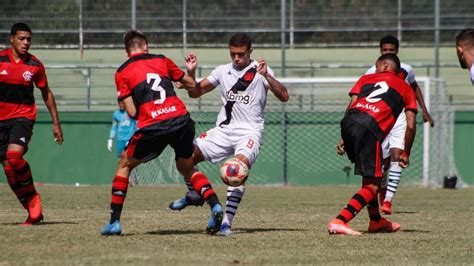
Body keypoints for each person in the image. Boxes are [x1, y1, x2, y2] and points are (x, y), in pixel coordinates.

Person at [100, 29, 223, 235]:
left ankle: (114, 222)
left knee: (124, 165)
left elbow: (131, 112)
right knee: (186, 166)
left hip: (154, 126)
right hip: (181, 119)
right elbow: (191, 85)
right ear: (146, 46)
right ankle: (215, 205)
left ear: (126, 51)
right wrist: (187, 73)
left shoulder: (122, 72)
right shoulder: (162, 60)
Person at [168, 32, 289, 236]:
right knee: (185, 157)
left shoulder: (260, 71)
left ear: (250, 51)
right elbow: (195, 92)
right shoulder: (222, 71)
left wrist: (267, 75)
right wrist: (191, 72)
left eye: (241, 54)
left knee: (236, 170)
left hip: (249, 133)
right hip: (222, 131)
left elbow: (284, 96)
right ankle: (194, 193)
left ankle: (225, 223)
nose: (236, 58)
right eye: (233, 54)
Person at [329, 54, 417, 235]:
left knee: (370, 178)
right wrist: (406, 152)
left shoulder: (365, 78)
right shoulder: (406, 88)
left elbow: (351, 105)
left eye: (376, 66)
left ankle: (376, 221)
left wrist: (345, 136)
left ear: (384, 65)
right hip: (370, 128)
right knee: (373, 187)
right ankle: (340, 220)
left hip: (349, 123)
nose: (375, 70)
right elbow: (410, 124)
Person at [0, 22, 63, 226]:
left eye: (29, 39)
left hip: (23, 117)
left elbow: (46, 92)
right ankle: (31, 210)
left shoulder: (35, 65)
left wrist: (56, 123)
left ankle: (34, 197)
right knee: (9, 169)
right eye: (21, 38)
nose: (26, 43)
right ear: (11, 39)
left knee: (14, 157)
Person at [365, 35, 434, 215]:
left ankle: (388, 200)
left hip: (401, 117)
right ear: (380, 51)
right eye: (385, 50)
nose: (388, 52)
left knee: (398, 154)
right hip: (381, 117)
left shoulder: (406, 70)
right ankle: (382, 189)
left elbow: (414, 87)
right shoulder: (372, 71)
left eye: (391, 50)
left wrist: (424, 111)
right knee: (383, 162)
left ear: (397, 50)